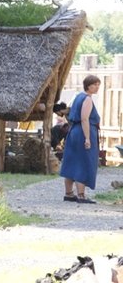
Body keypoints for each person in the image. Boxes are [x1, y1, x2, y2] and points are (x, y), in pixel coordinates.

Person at [59, 75, 101, 204]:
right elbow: (84, 119)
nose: (97, 86)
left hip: (74, 132)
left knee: (72, 160)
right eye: (94, 84)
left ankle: (69, 193)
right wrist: (87, 138)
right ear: (88, 86)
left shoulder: (78, 97)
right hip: (82, 132)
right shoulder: (87, 99)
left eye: (98, 84)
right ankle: (81, 195)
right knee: (83, 161)